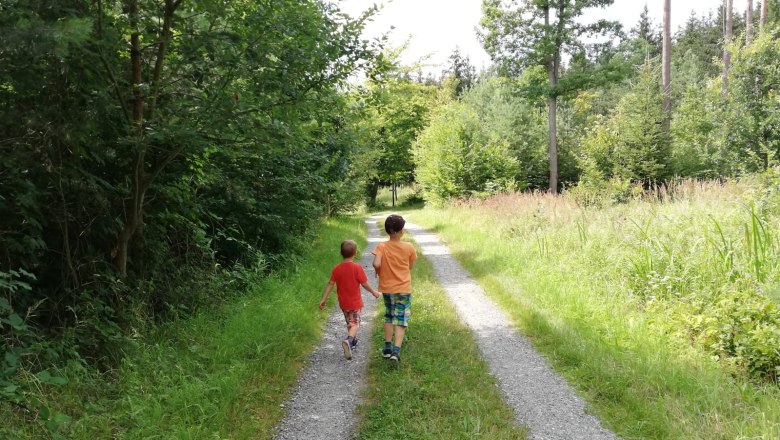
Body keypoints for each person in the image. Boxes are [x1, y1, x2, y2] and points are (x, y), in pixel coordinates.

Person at [319, 239, 381, 360]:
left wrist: (323, 299)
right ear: (355, 253)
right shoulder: (357, 267)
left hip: (343, 303)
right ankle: (349, 340)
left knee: (349, 322)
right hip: (355, 302)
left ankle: (352, 341)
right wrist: (374, 292)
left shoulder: (337, 268)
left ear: (341, 254)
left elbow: (330, 284)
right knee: (356, 323)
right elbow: (364, 284)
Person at [372, 214, 417, 366]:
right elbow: (410, 266)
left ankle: (387, 348)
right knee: (401, 318)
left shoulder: (381, 246)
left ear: (387, 231)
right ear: (401, 231)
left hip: (387, 288)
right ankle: (396, 352)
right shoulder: (409, 247)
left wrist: (378, 270)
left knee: (389, 315)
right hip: (404, 288)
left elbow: (377, 264)